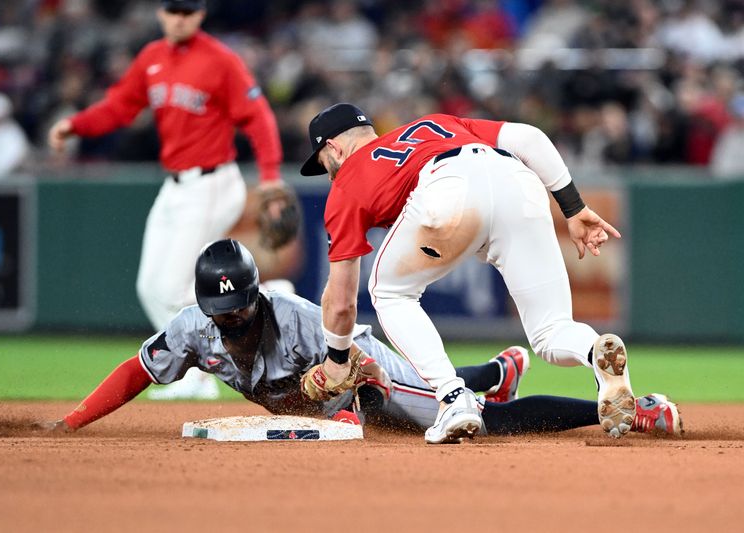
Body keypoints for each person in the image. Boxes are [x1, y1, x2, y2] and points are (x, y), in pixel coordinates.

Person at [36, 240, 682, 439]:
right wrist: (73, 420)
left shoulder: (296, 317)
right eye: (219, 310)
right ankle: (493, 367)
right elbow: (136, 371)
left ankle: (622, 407)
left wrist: (345, 415)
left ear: (257, 294)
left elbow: (357, 382)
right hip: (327, 397)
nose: (229, 320)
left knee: (481, 423)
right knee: (435, 396)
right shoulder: (190, 327)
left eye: (238, 307)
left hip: (365, 368)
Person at [299, 103, 633, 444]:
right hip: (517, 181)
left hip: (449, 187)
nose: (328, 175)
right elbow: (530, 138)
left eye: (324, 164)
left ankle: (454, 399)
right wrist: (574, 208)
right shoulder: (435, 124)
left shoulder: (347, 183)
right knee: (551, 331)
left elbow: (340, 303)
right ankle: (595, 349)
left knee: (389, 293)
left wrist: (337, 357)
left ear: (334, 147)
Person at [47, 0, 284, 399]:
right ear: (160, 13)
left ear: (202, 14)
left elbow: (257, 117)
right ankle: (208, 359)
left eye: (188, 11)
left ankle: (262, 310)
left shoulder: (221, 60)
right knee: (150, 287)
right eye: (173, 10)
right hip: (175, 186)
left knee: (175, 286)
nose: (180, 18)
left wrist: (272, 179)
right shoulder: (152, 57)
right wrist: (76, 125)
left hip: (212, 181)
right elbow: (120, 107)